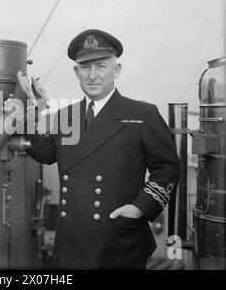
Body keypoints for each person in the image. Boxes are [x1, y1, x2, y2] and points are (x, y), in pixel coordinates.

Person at [24, 29, 180, 269]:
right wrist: (28, 113)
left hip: (118, 240)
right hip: (72, 241)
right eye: (85, 67)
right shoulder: (68, 116)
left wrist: (140, 207)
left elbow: (167, 169)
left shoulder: (142, 115)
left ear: (116, 70)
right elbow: (46, 153)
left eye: (101, 66)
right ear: (76, 72)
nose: (93, 76)